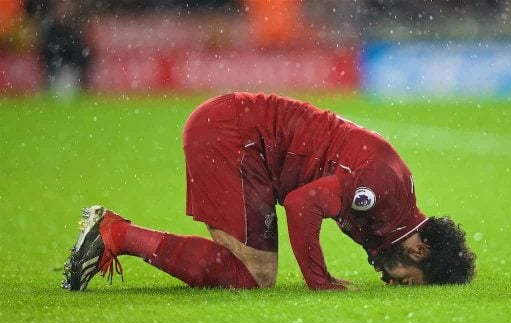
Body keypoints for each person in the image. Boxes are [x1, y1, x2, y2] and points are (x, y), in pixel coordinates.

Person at [62, 93, 476, 291]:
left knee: (250, 275)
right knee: (253, 277)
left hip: (245, 141)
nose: (389, 281)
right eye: (405, 281)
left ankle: (116, 234)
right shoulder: (384, 193)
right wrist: (320, 281)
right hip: (234, 138)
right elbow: (301, 205)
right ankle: (115, 234)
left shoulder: (394, 211)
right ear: (420, 250)